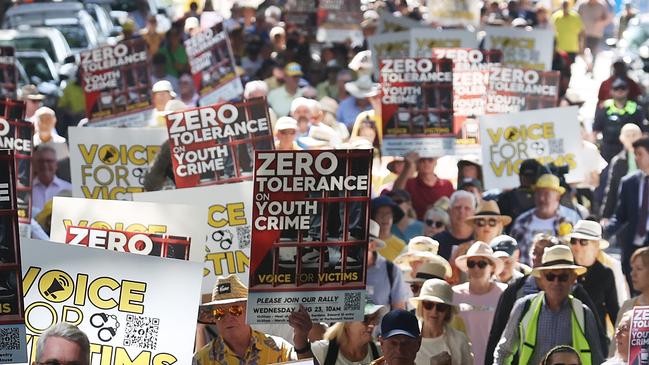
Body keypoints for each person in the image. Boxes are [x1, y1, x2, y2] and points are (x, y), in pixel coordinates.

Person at [485, 235, 608, 365]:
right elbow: (504, 351)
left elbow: (597, 358)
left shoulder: (583, 313)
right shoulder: (524, 307)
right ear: (542, 278)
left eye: (563, 277)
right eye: (550, 276)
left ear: (573, 279)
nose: (556, 282)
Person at [194, 275, 296, 365]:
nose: (228, 317)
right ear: (214, 318)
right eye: (220, 312)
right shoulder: (201, 360)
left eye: (235, 309)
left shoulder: (282, 350)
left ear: (249, 311)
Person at [509, 174, 582, 266]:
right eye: (538, 193)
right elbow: (512, 254)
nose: (541, 198)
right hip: (529, 276)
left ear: (558, 196)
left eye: (547, 194)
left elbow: (580, 251)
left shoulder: (572, 218)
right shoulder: (521, 221)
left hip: (558, 276)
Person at [453, 241, 506, 365]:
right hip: (461, 360)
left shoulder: (504, 293)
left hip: (494, 361)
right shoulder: (454, 294)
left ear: (492, 267)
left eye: (482, 264)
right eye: (471, 264)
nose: (476, 268)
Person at [605, 137, 649, 287]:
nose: (636, 158)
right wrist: (604, 233)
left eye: (640, 154)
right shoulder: (629, 182)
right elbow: (620, 215)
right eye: (634, 154)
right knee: (635, 290)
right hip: (632, 247)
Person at [289, 300, 387, 365]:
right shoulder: (321, 351)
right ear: (347, 322)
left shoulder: (382, 352)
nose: (372, 325)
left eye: (374, 319)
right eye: (365, 319)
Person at [568, 220, 619, 333]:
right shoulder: (564, 270)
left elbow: (613, 310)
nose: (577, 246)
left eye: (583, 241)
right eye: (573, 241)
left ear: (596, 245)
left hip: (595, 340)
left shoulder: (605, 274)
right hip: (566, 337)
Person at [410, 279, 474, 365]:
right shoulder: (407, 339)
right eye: (428, 305)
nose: (434, 312)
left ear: (448, 310)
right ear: (421, 306)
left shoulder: (460, 340)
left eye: (441, 307)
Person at [593, 77, 648, 162]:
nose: (619, 91)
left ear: (627, 90)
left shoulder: (636, 109)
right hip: (608, 152)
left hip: (631, 152)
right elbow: (595, 131)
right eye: (616, 88)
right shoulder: (604, 108)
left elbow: (644, 133)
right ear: (611, 91)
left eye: (623, 88)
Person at [610, 247, 649, 356]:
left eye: (639, 268)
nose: (633, 274)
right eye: (632, 268)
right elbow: (614, 351)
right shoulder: (628, 306)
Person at [394, 152, 455, 221]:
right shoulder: (410, 183)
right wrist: (408, 166)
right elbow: (396, 193)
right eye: (422, 160)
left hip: (440, 227)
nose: (426, 163)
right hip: (416, 228)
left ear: (435, 162)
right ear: (417, 163)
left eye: (430, 160)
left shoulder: (447, 184)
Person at [601, 123, 642, 220]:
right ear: (621, 138)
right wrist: (605, 216)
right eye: (628, 135)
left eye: (634, 134)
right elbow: (611, 189)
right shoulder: (618, 161)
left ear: (641, 136)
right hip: (625, 208)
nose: (631, 138)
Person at [367, 220, 410, 309]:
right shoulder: (340, 267)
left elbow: (399, 311)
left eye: (361, 241)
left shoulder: (391, 270)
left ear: (373, 245)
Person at [497, 158, 544, 230]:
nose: (530, 178)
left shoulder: (546, 197)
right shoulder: (506, 198)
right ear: (519, 175)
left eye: (533, 175)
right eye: (527, 175)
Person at [433, 191, 475, 263]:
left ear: (474, 213)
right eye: (457, 207)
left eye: (467, 208)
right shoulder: (436, 242)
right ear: (449, 211)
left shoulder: (479, 240)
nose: (461, 211)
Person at [32, 145, 72, 214]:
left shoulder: (69, 189)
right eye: (41, 161)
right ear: (35, 164)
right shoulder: (26, 191)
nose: (45, 165)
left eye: (49, 161)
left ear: (56, 164)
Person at [372, 196, 407, 262]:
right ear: (373, 216)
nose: (385, 217)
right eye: (380, 213)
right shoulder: (367, 243)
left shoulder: (401, 246)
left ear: (393, 217)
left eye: (388, 214)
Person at [577, 0, 612, 65]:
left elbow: (608, 18)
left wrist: (600, 22)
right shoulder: (582, 5)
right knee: (582, 52)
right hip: (584, 33)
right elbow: (577, 17)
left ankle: (592, 66)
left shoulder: (602, 5)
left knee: (594, 52)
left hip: (596, 34)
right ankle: (587, 65)